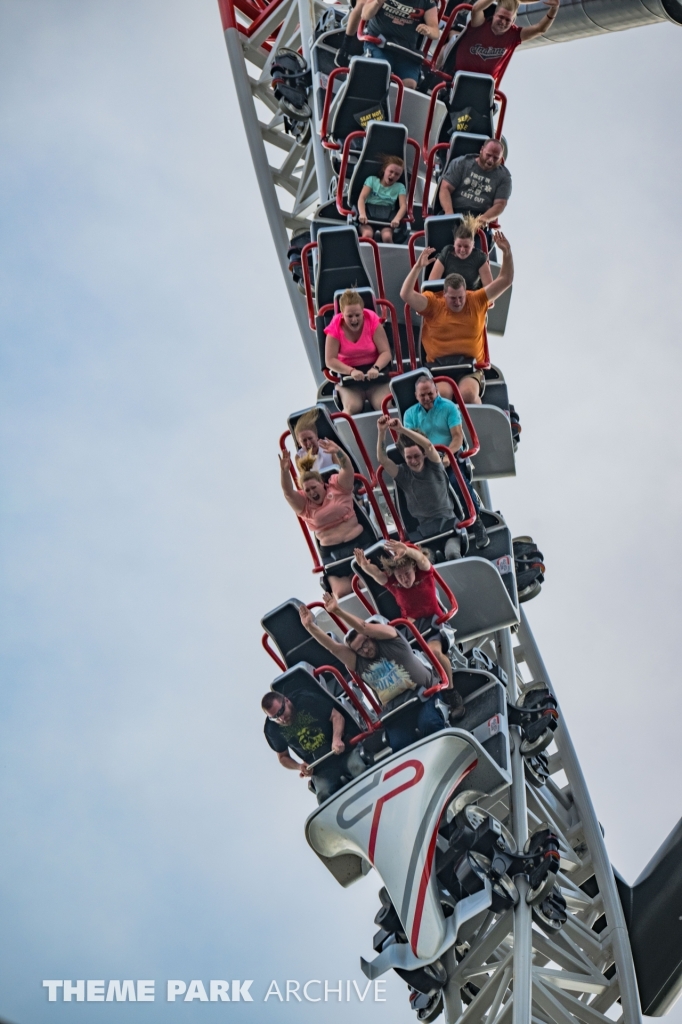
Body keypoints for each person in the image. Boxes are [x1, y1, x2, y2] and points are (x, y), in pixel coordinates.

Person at [299, 597, 447, 752]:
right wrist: (310, 627)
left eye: (365, 644)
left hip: (424, 695)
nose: (365, 650)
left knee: (429, 724)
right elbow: (333, 648)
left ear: (371, 638)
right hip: (397, 710)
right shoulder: (360, 663)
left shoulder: (392, 640)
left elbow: (364, 627)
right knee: (399, 743)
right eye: (359, 650)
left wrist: (338, 611)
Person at [399, 233, 513, 405]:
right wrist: (417, 267)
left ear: (466, 292)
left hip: (470, 367)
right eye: (453, 298)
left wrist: (507, 252)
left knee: (467, 394)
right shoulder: (433, 302)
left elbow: (506, 279)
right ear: (444, 294)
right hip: (439, 367)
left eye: (461, 297)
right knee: (443, 395)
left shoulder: (476, 299)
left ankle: (474, 420)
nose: (458, 302)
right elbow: (405, 294)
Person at [353, 541, 466, 713]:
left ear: (413, 568)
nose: (404, 579)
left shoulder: (424, 573)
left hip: (433, 623)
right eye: (400, 576)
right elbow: (378, 575)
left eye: (406, 574)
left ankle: (451, 692)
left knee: (434, 653)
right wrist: (364, 566)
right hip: (411, 629)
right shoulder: (394, 584)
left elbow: (422, 559)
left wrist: (407, 551)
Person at [279, 440, 374, 598]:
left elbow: (347, 469)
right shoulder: (305, 505)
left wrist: (338, 452)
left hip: (359, 543)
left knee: (365, 584)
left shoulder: (337, 487)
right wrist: (284, 471)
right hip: (333, 553)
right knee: (342, 593)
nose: (311, 492)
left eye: (313, 487)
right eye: (307, 490)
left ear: (321, 483)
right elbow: (288, 493)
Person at [402, 375, 488, 547]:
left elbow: (457, 436)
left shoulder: (448, 407)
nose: (427, 398)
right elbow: (411, 442)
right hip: (425, 460)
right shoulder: (410, 414)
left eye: (430, 394)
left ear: (436, 391)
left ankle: (476, 520)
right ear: (416, 396)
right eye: (422, 395)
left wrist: (448, 456)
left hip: (448, 454)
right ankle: (424, 535)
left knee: (456, 482)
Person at [376, 415, 466, 556]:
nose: (413, 461)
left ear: (423, 454)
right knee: (426, 561)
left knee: (452, 553)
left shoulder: (434, 466)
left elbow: (428, 446)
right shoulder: (403, 474)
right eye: (409, 457)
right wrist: (382, 431)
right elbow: (383, 460)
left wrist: (401, 429)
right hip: (424, 533)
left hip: (448, 525)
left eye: (416, 456)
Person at [261, 689, 364, 803]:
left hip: (343, 751)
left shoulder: (306, 700)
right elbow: (282, 757)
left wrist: (337, 739)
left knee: (359, 768)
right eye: (275, 717)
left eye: (281, 711)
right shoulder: (272, 729)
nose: (282, 719)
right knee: (324, 795)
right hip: (320, 767)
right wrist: (299, 766)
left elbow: (336, 716)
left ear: (287, 700)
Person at [449, 0, 559, 80]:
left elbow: (540, 29)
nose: (503, 22)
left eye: (508, 20)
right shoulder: (480, 24)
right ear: (494, 15)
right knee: (451, 40)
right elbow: (476, 9)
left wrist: (554, 9)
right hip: (460, 77)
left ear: (513, 21)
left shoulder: (514, 35)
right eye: (500, 17)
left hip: (484, 85)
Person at [324, 288, 392, 415]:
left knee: (384, 405)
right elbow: (330, 360)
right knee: (352, 407)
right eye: (349, 316)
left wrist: (376, 367)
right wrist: (351, 371)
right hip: (349, 379)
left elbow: (386, 352)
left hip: (376, 376)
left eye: (357, 315)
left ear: (363, 311)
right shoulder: (335, 327)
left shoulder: (372, 320)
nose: (354, 320)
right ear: (342, 314)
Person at [362, 0, 439, 89]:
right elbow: (365, 15)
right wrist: (377, 2)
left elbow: (435, 32)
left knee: (410, 84)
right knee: (380, 73)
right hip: (379, 44)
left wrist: (428, 30)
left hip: (406, 51)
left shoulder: (427, 2)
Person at [438, 139, 511, 228]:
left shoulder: (504, 176)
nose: (491, 160)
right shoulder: (462, 163)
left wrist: (483, 219)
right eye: (488, 155)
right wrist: (449, 213)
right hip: (455, 211)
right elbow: (445, 188)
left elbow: (500, 204)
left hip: (478, 218)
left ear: (500, 158)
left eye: (495, 158)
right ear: (481, 150)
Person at [428, 213, 493, 290]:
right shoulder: (447, 252)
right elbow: (432, 284)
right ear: (454, 244)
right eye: (459, 246)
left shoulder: (479, 257)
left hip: (470, 295)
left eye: (466, 246)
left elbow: (490, 290)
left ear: (473, 245)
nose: (462, 250)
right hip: (447, 294)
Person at [358, 155, 408, 243]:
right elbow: (362, 198)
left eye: (397, 174)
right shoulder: (372, 180)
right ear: (384, 169)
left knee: (387, 237)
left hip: (386, 219)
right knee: (367, 235)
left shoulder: (400, 187)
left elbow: (403, 205)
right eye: (391, 171)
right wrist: (362, 214)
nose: (393, 175)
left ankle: (391, 252)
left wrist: (397, 219)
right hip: (368, 215)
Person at [293, 407, 337, 475]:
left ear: (316, 436)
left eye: (310, 438)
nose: (308, 443)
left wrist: (337, 451)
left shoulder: (328, 445)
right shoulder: (299, 457)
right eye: (304, 440)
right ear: (299, 443)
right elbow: (304, 478)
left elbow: (340, 468)